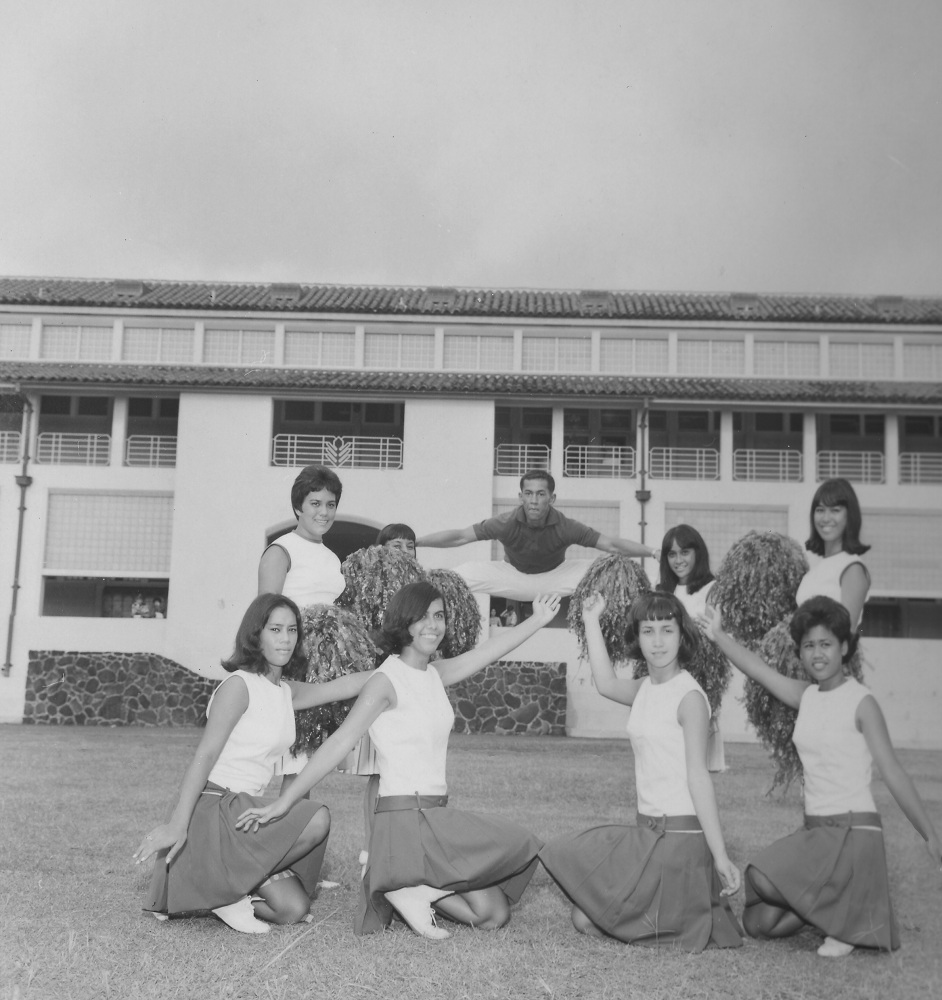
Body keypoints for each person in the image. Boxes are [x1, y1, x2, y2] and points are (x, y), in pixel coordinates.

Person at [236, 583, 561, 940]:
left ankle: (412, 889)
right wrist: (285, 801)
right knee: (519, 844)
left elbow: (487, 652)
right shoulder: (385, 681)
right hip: (405, 822)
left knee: (494, 913)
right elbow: (339, 742)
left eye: (439, 616)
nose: (433, 625)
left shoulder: (435, 674)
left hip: (435, 818)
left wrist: (538, 620)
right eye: (422, 617)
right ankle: (404, 883)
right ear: (404, 622)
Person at [703, 596, 941, 957]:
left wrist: (930, 835)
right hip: (816, 831)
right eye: (809, 645)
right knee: (758, 923)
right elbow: (758, 670)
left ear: (844, 647)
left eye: (826, 644)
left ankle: (845, 920)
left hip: (852, 834)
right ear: (800, 651)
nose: (817, 653)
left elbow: (893, 771)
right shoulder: (807, 695)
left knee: (760, 877)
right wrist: (719, 635)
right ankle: (835, 911)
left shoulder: (862, 702)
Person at [133, 594, 373, 934]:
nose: (285, 639)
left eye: (292, 630)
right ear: (255, 635)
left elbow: (342, 687)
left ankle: (225, 892)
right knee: (316, 818)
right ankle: (223, 890)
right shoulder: (239, 686)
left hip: (244, 814)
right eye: (275, 629)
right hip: (214, 808)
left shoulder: (285, 691)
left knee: (292, 908)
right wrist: (177, 825)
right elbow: (204, 757)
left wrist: (399, 670)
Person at [540, 591, 742, 952]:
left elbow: (698, 777)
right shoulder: (645, 688)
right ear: (637, 637)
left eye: (667, 630)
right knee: (582, 912)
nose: (658, 641)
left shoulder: (690, 698)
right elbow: (605, 683)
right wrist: (590, 619)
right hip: (645, 834)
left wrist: (721, 855)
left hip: (678, 840)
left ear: (682, 635)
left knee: (588, 919)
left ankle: (673, 916)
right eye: (648, 631)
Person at [416, 470, 658, 601]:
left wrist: (654, 551)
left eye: (541, 494)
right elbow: (460, 536)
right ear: (520, 497)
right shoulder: (505, 522)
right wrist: (417, 542)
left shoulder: (567, 526)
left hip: (557, 577)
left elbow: (612, 545)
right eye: (528, 494)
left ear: (552, 498)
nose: (534, 500)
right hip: (511, 576)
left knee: (612, 568)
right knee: (455, 576)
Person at [657, 524, 724, 771]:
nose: (678, 560)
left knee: (694, 764)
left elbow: (710, 637)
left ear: (698, 553)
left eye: (685, 552)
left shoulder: (712, 589)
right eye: (672, 554)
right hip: (664, 682)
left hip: (697, 681)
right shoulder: (662, 590)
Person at [796, 478, 870, 628]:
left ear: (850, 516)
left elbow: (847, 633)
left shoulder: (852, 567)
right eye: (820, 510)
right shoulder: (814, 570)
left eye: (835, 510)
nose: (826, 518)